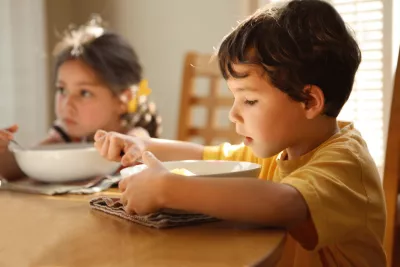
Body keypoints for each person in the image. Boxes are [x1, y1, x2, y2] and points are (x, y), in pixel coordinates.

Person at [94, 1, 386, 266]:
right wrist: (142, 144)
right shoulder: (284, 149)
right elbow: (207, 157)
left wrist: (168, 189)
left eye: (249, 100)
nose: (233, 114)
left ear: (309, 101)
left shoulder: (346, 163)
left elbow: (285, 203)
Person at [0, 15, 162, 181]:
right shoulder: (65, 137)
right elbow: (20, 170)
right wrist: (3, 153)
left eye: (84, 93)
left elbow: (144, 156)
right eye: (62, 90)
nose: (67, 105)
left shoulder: (133, 140)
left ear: (123, 100)